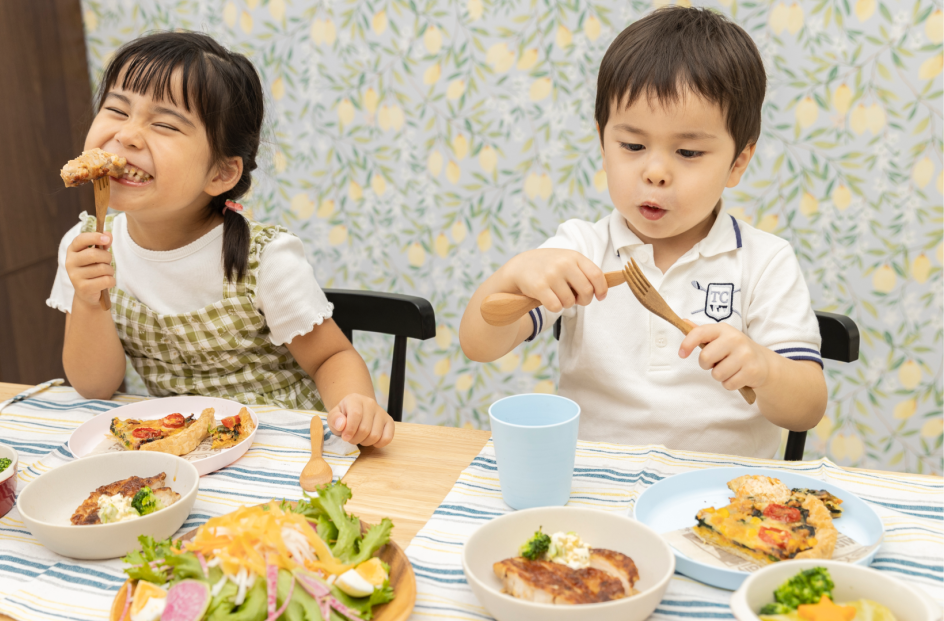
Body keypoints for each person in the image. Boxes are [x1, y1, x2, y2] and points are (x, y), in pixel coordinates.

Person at [459, 7, 826, 458]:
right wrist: (515, 274)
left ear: (738, 162)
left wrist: (765, 369)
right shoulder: (580, 248)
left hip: (719, 498)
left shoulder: (764, 260)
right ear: (602, 142)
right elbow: (479, 344)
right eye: (632, 146)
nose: (655, 171)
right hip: (594, 490)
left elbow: (807, 408)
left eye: (688, 151)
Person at [47, 32, 393, 447]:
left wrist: (355, 405)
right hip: (177, 446)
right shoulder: (86, 246)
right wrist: (89, 300)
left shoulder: (266, 260)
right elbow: (96, 387)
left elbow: (331, 357)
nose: (128, 136)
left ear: (221, 174)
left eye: (164, 124)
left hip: (282, 446)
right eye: (117, 110)